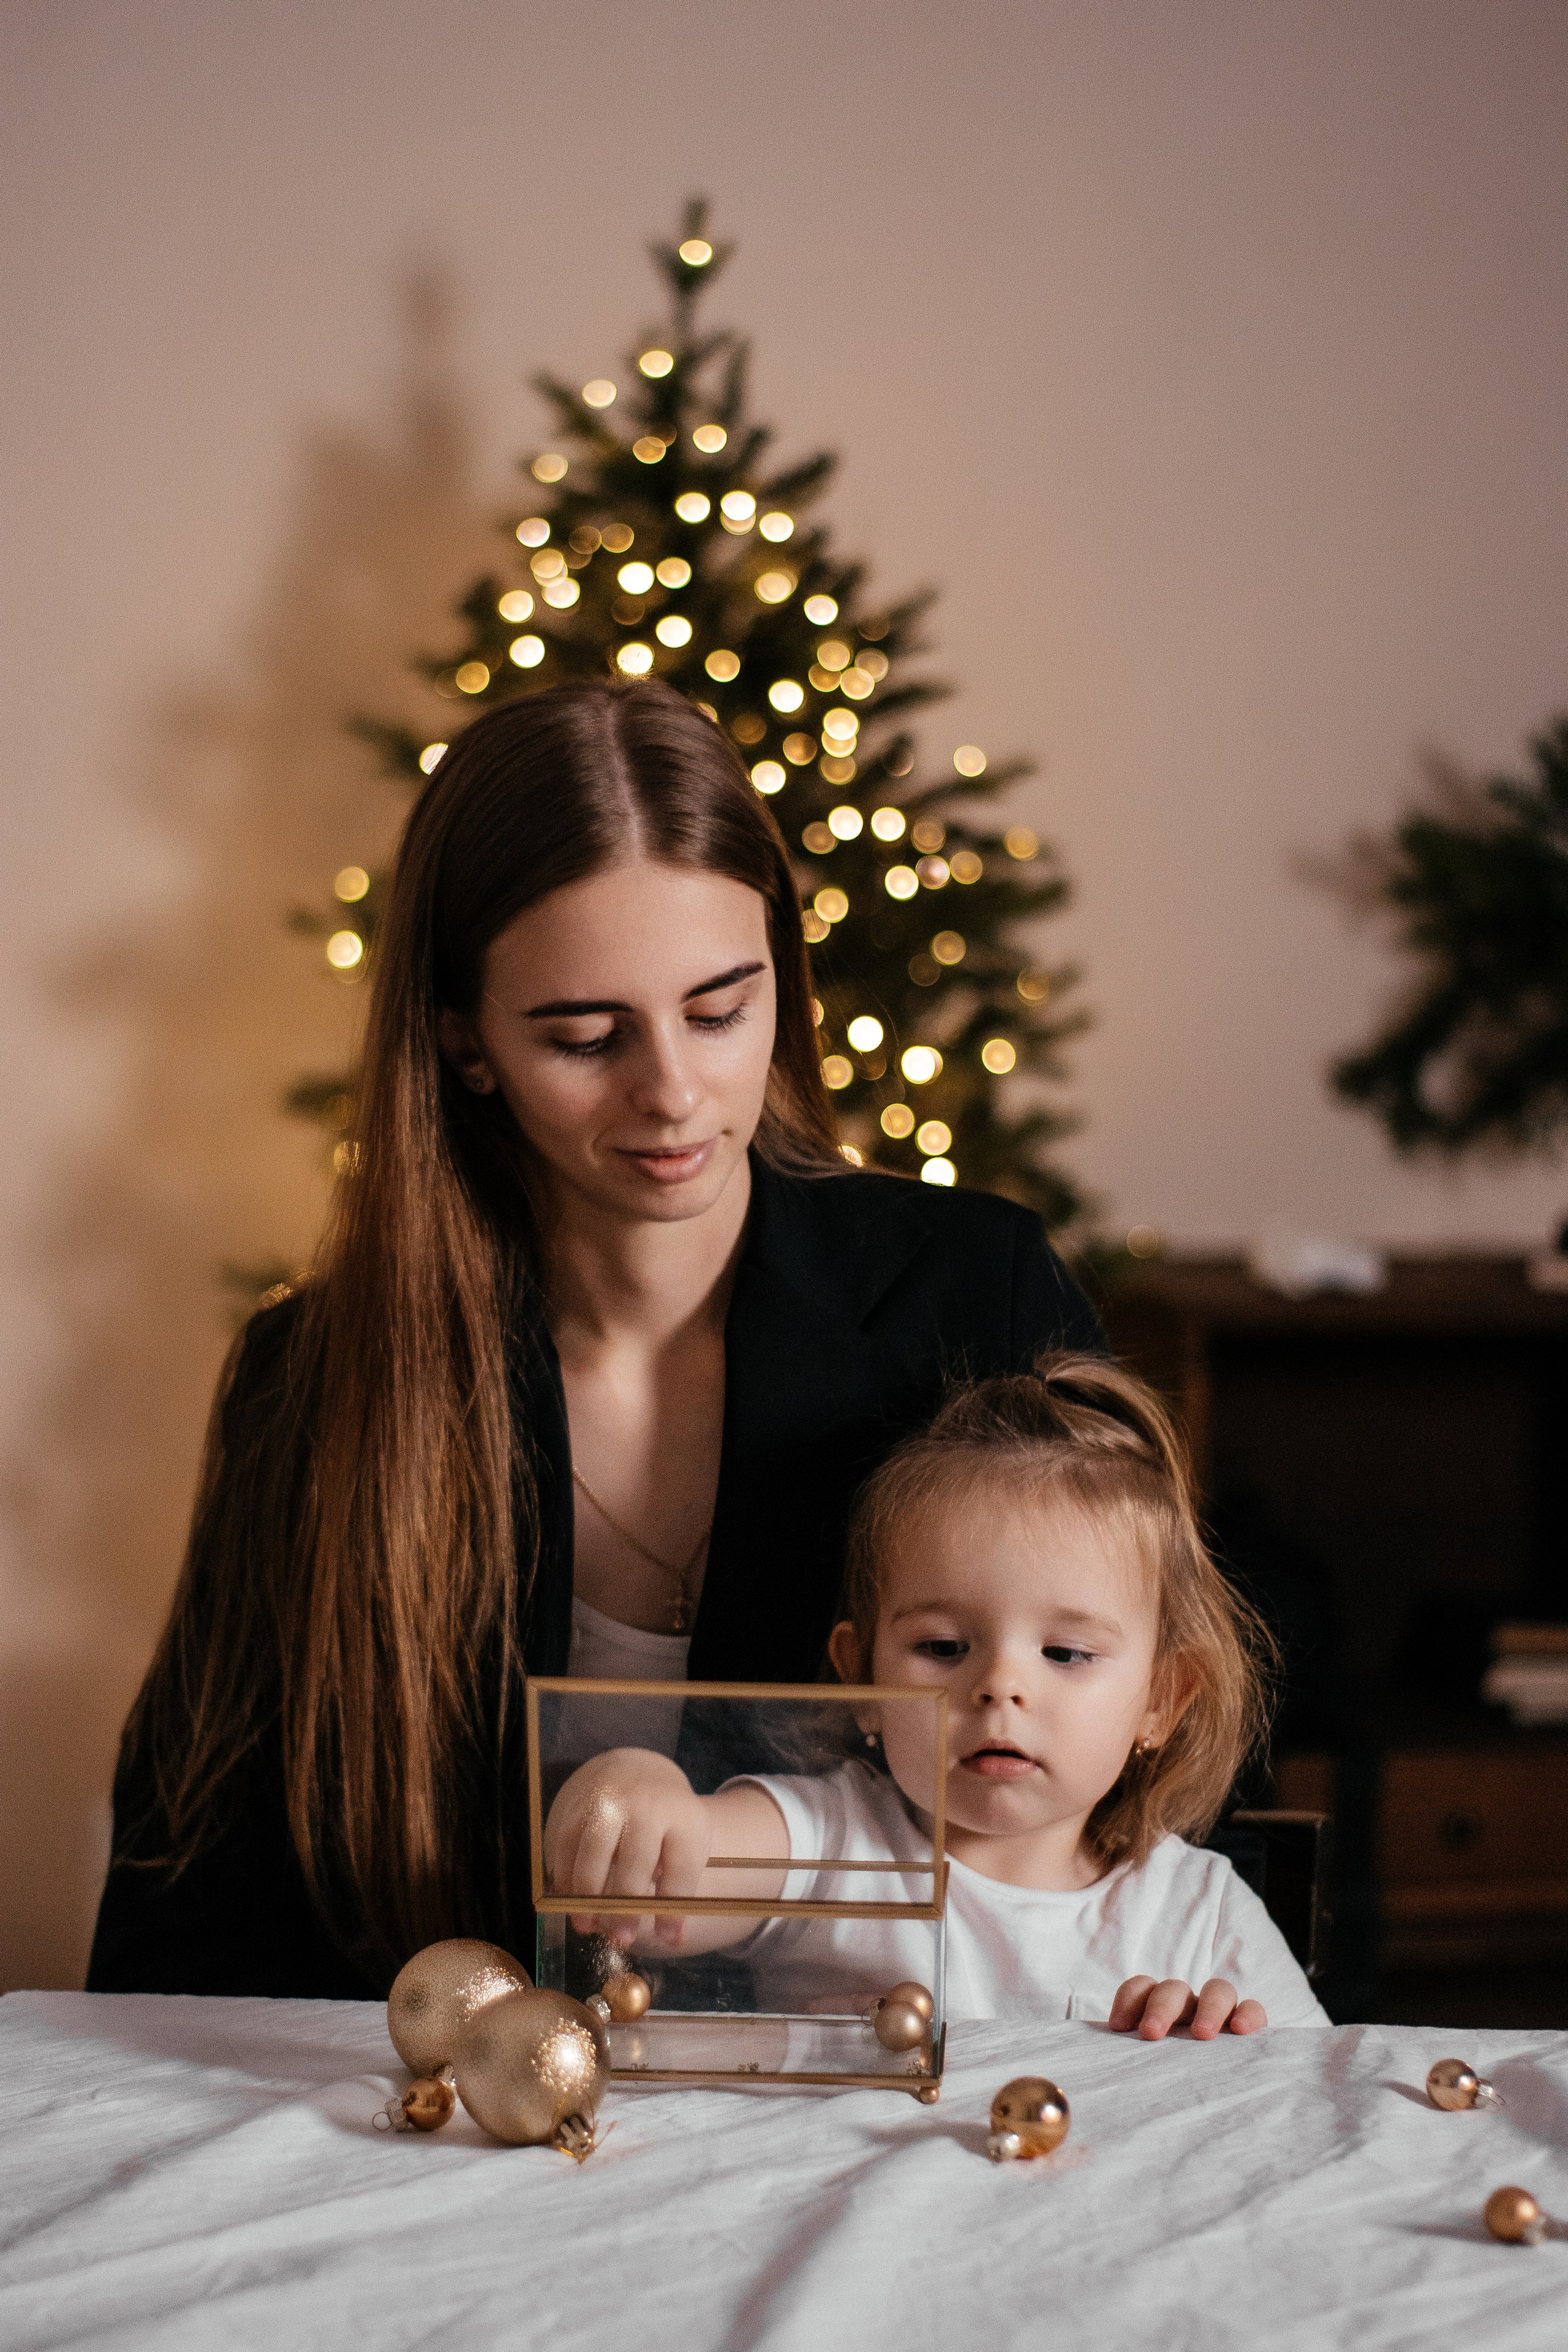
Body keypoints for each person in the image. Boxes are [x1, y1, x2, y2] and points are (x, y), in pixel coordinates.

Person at [88, 679, 1101, 2000]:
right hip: (445, 2133)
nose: (670, 1091)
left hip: (891, 2113)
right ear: (463, 1042)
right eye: (583, 1035)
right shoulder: (314, 1380)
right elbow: (188, 1896)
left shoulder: (979, 1295)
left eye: (720, 1009)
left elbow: (1176, 1770)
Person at [545, 1352, 1329, 2030]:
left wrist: (1222, 2048)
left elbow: (1311, 2099)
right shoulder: (832, 1845)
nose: (998, 1686)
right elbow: (682, 1853)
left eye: (1066, 1652)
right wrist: (632, 1790)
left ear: (1162, 1700)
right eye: (943, 1647)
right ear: (860, 1679)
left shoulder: (1200, 1912)